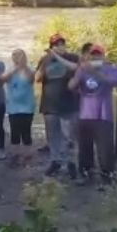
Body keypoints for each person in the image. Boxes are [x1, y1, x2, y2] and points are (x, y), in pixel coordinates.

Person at [69, 44, 117, 188]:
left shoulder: (111, 69)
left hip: (103, 115)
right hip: (85, 114)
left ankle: (107, 175)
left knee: (105, 148)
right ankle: (85, 172)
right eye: (92, 54)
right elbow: (71, 86)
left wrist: (96, 72)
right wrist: (79, 74)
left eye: (98, 54)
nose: (95, 57)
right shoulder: (82, 69)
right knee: (84, 147)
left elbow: (113, 82)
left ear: (103, 56)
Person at [36, 34, 80, 178]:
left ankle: (71, 163)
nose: (60, 46)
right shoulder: (45, 60)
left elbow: (77, 69)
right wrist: (46, 61)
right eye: (56, 44)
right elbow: (37, 78)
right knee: (53, 136)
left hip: (69, 103)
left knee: (69, 137)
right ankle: (56, 161)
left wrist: (58, 57)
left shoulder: (72, 57)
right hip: (49, 104)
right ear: (51, 46)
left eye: (62, 43)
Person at [2, 49, 36, 152]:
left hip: (27, 107)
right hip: (13, 107)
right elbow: (2, 79)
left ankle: (27, 156)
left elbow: (31, 79)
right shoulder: (9, 69)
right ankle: (15, 155)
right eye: (14, 55)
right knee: (14, 132)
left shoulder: (29, 69)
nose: (17, 57)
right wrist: (15, 69)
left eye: (19, 55)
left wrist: (23, 67)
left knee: (26, 132)